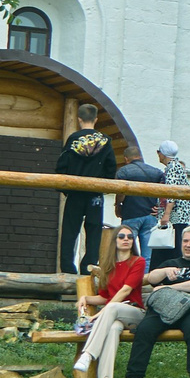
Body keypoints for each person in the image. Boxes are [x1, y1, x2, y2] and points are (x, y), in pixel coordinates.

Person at [120, 224, 190, 378]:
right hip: (164, 309)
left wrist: (169, 287)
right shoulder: (171, 263)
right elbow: (151, 278)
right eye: (185, 241)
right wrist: (164, 271)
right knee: (144, 329)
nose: (188, 245)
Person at [71, 223, 146, 378]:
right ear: (115, 241)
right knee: (113, 329)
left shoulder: (138, 261)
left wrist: (98, 315)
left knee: (112, 308)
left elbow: (125, 291)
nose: (126, 239)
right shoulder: (108, 266)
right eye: (122, 236)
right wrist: (86, 298)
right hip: (114, 315)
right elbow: (105, 297)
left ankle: (88, 354)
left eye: (130, 237)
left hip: (135, 313)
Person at [54, 104, 118, 272]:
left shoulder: (73, 139)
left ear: (79, 119)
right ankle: (88, 267)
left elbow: (62, 166)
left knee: (70, 232)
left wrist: (66, 189)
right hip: (95, 194)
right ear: (96, 119)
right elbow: (111, 166)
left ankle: (67, 268)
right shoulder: (105, 140)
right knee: (94, 232)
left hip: (75, 192)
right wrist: (104, 185)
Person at [111, 156, 166, 264]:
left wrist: (118, 205)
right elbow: (164, 189)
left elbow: (121, 192)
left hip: (131, 214)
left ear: (126, 159)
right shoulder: (156, 172)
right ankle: (145, 274)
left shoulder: (124, 171)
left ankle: (128, 272)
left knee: (125, 250)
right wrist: (161, 207)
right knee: (147, 256)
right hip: (150, 215)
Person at [152, 141, 190, 268]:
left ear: (163, 153)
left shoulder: (172, 167)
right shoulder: (176, 166)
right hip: (178, 217)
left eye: (159, 152)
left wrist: (166, 214)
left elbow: (172, 192)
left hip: (176, 217)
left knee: (172, 249)